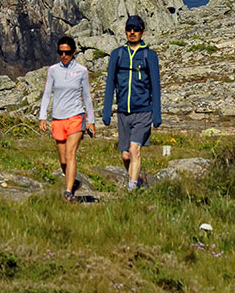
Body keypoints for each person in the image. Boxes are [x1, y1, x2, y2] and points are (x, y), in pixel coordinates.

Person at [101, 15, 161, 191]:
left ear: (142, 31)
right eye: (129, 29)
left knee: (135, 150)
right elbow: (110, 84)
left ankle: (131, 190)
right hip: (122, 112)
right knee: (126, 156)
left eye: (136, 29)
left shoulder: (149, 56)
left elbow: (156, 87)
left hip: (143, 112)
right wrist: (106, 111)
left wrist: (156, 114)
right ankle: (135, 180)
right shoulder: (117, 54)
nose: (132, 32)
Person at [38, 35, 95, 201]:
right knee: (63, 160)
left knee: (71, 154)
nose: (64, 56)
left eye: (68, 53)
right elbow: (47, 94)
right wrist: (42, 117)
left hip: (76, 117)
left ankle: (68, 193)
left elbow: (87, 96)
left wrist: (90, 121)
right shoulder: (53, 70)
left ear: (74, 52)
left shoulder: (82, 71)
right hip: (58, 119)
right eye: (61, 52)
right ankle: (74, 183)